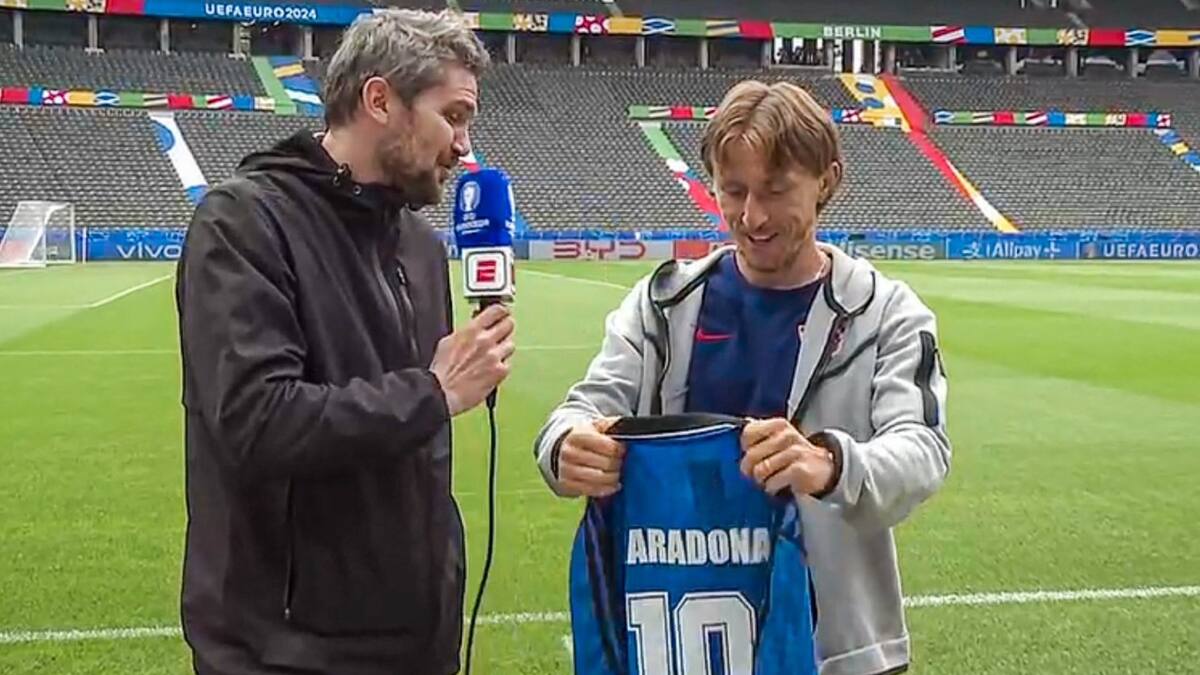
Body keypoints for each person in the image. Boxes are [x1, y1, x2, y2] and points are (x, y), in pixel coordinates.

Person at [534, 80, 951, 675]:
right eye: (733, 191)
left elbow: (924, 451)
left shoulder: (886, 312)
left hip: (839, 650)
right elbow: (579, 412)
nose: (751, 217)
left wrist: (831, 465)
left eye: (775, 191)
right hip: (678, 644)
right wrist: (565, 447)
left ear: (826, 181)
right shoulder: (664, 305)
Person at [176, 9, 513, 675]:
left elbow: (416, 454)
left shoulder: (418, 244)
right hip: (286, 651)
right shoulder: (243, 223)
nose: (465, 145)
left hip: (417, 644)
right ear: (380, 99)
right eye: (453, 115)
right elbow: (258, 421)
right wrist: (434, 391)